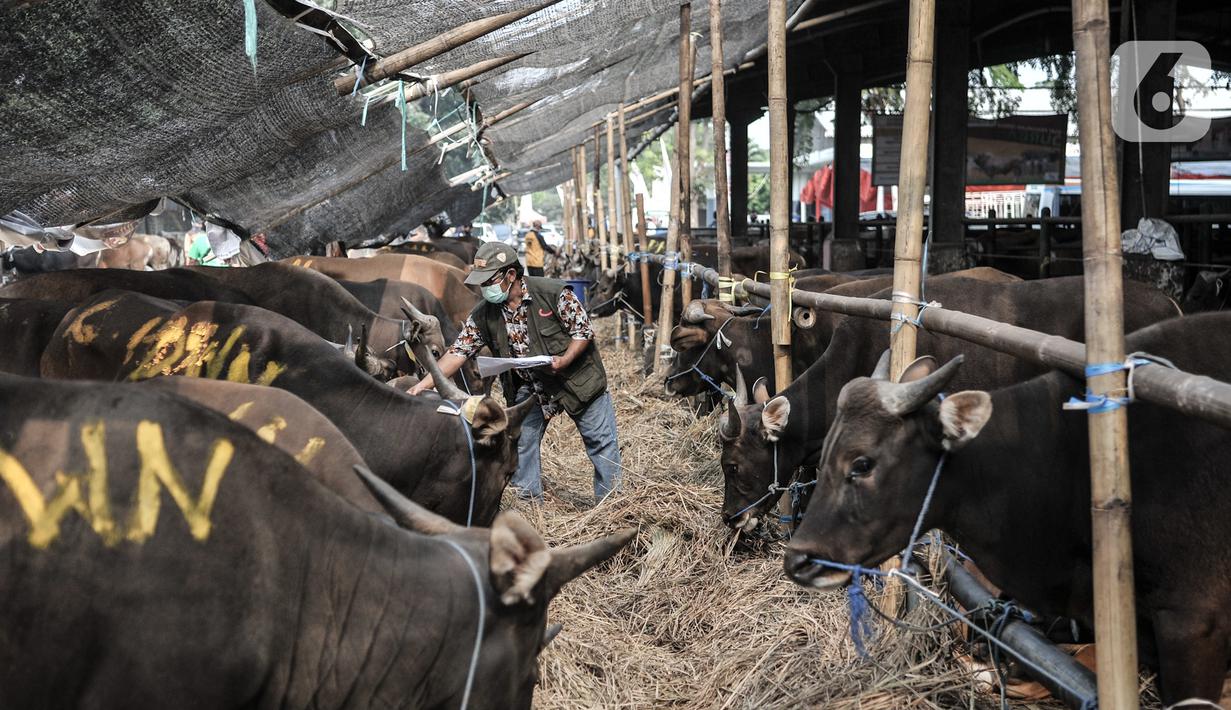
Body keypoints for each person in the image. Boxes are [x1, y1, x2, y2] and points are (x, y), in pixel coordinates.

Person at [410, 242, 621, 503]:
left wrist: (565, 359)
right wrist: (425, 384)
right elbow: (458, 352)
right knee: (520, 442)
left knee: (601, 443)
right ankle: (530, 504)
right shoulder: (484, 314)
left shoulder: (554, 294)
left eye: (489, 281)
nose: (484, 288)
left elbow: (583, 332)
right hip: (531, 385)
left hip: (576, 380)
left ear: (511, 275)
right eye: (481, 282)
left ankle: (613, 504)